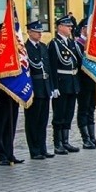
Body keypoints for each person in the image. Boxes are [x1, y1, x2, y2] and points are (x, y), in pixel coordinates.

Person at [48, 15, 81, 155]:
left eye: (71, 26)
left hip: (72, 83)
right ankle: (58, 143)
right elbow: (52, 67)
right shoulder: (54, 44)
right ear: (60, 27)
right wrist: (54, 87)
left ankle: (66, 141)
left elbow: (78, 63)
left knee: (69, 113)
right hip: (61, 84)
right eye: (68, 26)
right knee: (59, 114)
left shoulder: (72, 43)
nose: (70, 28)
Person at [23, 21, 55, 159]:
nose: (40, 34)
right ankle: (34, 150)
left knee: (43, 121)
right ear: (29, 32)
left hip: (45, 87)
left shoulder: (43, 47)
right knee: (32, 121)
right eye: (36, 32)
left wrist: (52, 87)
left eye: (40, 32)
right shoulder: (25, 49)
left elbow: (49, 69)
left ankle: (42, 148)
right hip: (34, 88)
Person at [73, 19, 96, 150]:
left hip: (94, 83)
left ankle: (92, 137)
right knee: (83, 110)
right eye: (88, 27)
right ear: (83, 29)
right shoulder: (78, 45)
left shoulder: (94, 44)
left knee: (91, 109)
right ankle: (85, 138)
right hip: (83, 83)